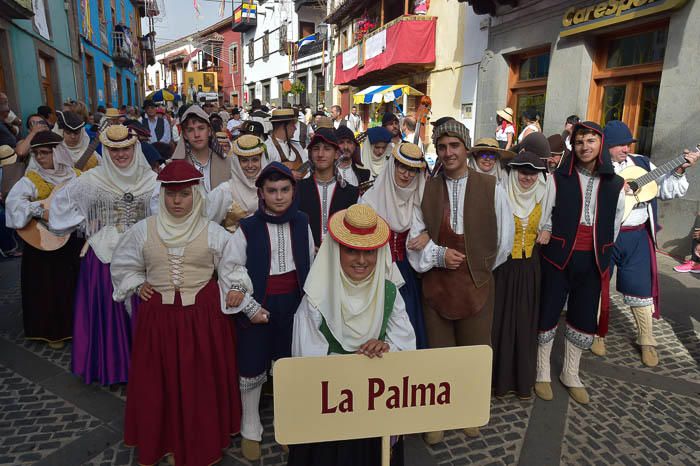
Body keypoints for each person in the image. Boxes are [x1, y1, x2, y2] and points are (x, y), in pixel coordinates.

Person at [110, 161, 241, 466]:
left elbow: (233, 267)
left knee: (201, 382)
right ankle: (164, 438)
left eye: (183, 194)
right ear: (162, 196)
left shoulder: (213, 232)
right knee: (160, 384)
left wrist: (235, 287)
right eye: (171, 195)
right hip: (160, 321)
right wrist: (136, 282)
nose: (177, 201)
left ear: (196, 195)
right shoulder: (143, 230)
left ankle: (203, 438)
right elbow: (123, 264)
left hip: (203, 320)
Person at [407, 119, 514, 444]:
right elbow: (415, 236)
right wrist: (438, 255)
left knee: (474, 354)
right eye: (442, 147)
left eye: (454, 146)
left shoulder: (491, 186)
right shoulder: (427, 187)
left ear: (466, 148)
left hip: (477, 283)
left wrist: (478, 267)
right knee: (438, 355)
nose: (448, 152)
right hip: (437, 285)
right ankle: (437, 415)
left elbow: (504, 240)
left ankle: (468, 410)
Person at [288, 204, 416, 466]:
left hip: (375, 401)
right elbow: (305, 366)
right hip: (331, 409)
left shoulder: (389, 294)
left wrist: (386, 347)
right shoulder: (316, 300)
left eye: (369, 252)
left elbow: (407, 345)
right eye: (352, 250)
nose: (361, 260)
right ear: (336, 252)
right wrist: (352, 367)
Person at [218, 162, 315, 461]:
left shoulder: (302, 222)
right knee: (252, 364)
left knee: (288, 364)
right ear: (260, 192)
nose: (279, 196)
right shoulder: (247, 227)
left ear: (293, 190)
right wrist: (248, 307)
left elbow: (311, 262)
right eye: (271, 190)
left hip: (293, 304)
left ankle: (286, 423)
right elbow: (229, 268)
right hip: (259, 303)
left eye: (285, 189)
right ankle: (250, 426)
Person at [49, 125, 158, 385]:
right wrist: (88, 223)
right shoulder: (91, 180)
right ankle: (115, 365)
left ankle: (147, 365)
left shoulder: (152, 180)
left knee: (147, 307)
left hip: (143, 253)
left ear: (135, 148)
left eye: (126, 149)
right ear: (106, 150)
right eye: (114, 149)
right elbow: (60, 206)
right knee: (110, 310)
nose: (121, 154)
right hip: (102, 256)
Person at [592, 120, 698, 366]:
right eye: (620, 145)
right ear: (607, 145)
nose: (625, 149)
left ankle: (647, 340)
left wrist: (680, 170)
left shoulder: (641, 163)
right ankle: (597, 332)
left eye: (628, 144)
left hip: (638, 236)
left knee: (641, 289)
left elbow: (668, 191)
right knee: (598, 286)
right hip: (607, 236)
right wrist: (619, 192)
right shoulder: (597, 166)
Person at [535, 121, 625, 405]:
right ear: (572, 147)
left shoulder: (616, 184)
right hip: (558, 256)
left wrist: (603, 248)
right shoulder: (558, 178)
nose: (584, 147)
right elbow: (546, 210)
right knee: (548, 311)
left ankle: (571, 374)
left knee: (583, 314)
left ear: (601, 144)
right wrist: (546, 229)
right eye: (579, 142)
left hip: (593, 259)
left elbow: (615, 222)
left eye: (590, 141)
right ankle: (541, 372)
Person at [5, 131, 83, 349]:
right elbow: (14, 205)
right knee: (46, 288)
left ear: (58, 153)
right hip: (40, 241)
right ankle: (51, 331)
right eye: (37, 153)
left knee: (72, 284)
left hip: (71, 240)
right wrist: (38, 208)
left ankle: (78, 326)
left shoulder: (76, 176)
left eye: (45, 153)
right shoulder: (31, 179)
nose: (40, 158)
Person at [491, 151, 550, 399]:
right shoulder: (501, 194)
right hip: (504, 269)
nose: (527, 177)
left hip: (529, 268)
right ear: (513, 172)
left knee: (524, 323)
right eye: (523, 171)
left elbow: (549, 219)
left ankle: (521, 380)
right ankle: (497, 381)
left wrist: (547, 228)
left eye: (533, 172)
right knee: (500, 323)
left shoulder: (543, 195)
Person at [361, 142, 429, 349]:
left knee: (408, 327)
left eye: (412, 170)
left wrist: (428, 234)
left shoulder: (418, 199)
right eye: (402, 167)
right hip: (375, 274)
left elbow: (433, 225)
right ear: (393, 166)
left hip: (407, 275)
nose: (406, 174)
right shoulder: (369, 200)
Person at [297, 127, 359, 247]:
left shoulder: (350, 192)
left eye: (327, 149)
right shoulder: (298, 189)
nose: (320, 154)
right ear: (310, 154)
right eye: (316, 149)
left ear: (336, 154)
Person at [207, 134, 265, 232]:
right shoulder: (225, 190)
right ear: (237, 163)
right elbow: (207, 224)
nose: (250, 165)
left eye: (255, 160)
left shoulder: (268, 188)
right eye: (244, 160)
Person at [171, 105, 229, 192]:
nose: (196, 134)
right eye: (190, 130)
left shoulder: (228, 163)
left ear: (209, 131)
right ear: (185, 135)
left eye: (201, 128)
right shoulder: (175, 166)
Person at [265, 108, 307, 178]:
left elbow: (307, 170)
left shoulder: (297, 146)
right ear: (283, 127)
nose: (295, 128)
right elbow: (265, 175)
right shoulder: (267, 148)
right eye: (292, 125)